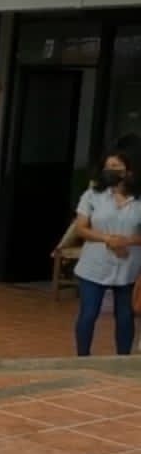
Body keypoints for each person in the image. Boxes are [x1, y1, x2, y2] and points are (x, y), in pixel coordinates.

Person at [71, 147, 141, 356]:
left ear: (129, 171)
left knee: (125, 316)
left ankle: (123, 359)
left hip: (128, 266)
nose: (110, 171)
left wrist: (126, 241)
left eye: (115, 167)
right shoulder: (92, 195)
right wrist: (107, 239)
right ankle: (82, 358)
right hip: (94, 264)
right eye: (107, 166)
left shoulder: (138, 200)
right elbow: (81, 228)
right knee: (89, 314)